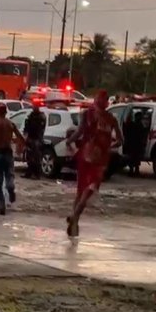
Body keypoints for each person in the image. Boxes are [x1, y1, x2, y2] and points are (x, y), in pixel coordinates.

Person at [66, 90, 123, 237]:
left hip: (86, 154)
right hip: (100, 159)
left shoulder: (87, 114)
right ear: (106, 102)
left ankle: (75, 222)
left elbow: (79, 132)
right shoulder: (111, 119)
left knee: (81, 191)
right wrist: (109, 147)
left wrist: (69, 142)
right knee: (89, 190)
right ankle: (74, 218)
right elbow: (120, 140)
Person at [0, 103, 25, 215]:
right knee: (9, 175)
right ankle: (10, 187)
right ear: (6, 112)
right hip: (8, 153)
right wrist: (21, 148)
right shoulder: (10, 123)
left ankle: (2, 205)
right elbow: (21, 137)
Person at [22, 104, 46, 179]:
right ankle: (29, 173)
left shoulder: (41, 117)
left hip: (37, 139)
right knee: (29, 157)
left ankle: (37, 174)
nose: (34, 108)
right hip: (31, 138)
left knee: (36, 157)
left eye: (36, 107)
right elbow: (27, 126)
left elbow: (41, 127)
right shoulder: (31, 116)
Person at [123, 111, 148, 176]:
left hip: (134, 144)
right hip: (135, 144)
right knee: (135, 158)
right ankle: (134, 171)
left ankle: (133, 171)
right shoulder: (138, 125)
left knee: (134, 158)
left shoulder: (135, 124)